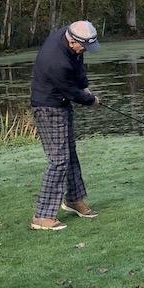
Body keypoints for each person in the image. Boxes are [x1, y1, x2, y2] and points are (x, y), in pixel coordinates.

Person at [29, 20, 101, 231]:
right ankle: (42, 216)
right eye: (84, 46)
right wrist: (91, 100)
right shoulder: (56, 61)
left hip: (60, 102)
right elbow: (71, 91)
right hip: (48, 107)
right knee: (58, 160)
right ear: (72, 42)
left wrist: (86, 86)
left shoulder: (70, 36)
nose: (85, 50)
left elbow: (78, 63)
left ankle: (74, 199)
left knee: (70, 152)